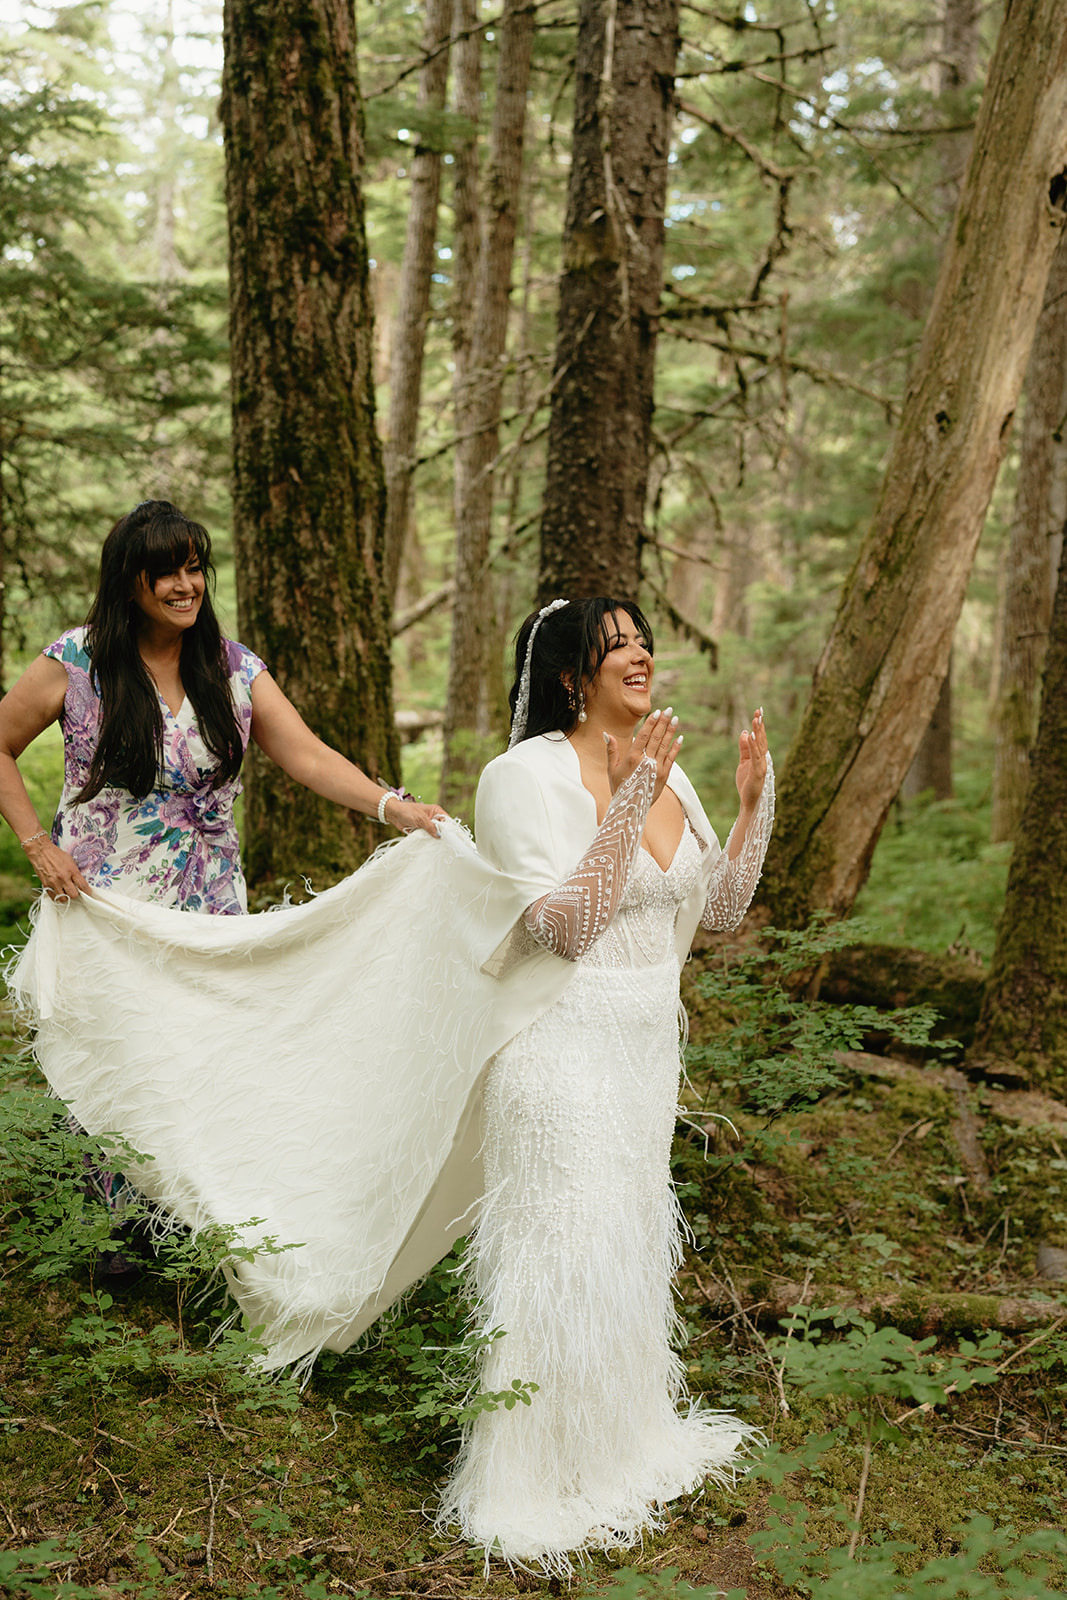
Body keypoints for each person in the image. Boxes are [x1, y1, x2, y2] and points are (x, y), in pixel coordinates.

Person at [435, 595, 774, 1570]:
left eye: (641, 640)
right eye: (612, 644)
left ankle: (614, 1447)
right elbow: (560, 929)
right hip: (557, 1046)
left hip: (643, 1051)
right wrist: (625, 801)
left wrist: (751, 804)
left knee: (622, 1241)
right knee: (562, 1250)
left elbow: (719, 910)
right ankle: (533, 1476)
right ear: (568, 675)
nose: (638, 655)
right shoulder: (520, 777)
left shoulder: (674, 773)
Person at [0, 500, 444, 913]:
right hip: (100, 905)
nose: (186, 586)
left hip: (211, 906)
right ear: (128, 583)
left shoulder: (234, 669)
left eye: (193, 569)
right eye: (166, 573)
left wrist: (395, 807)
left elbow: (308, 756)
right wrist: (37, 846)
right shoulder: (79, 660)